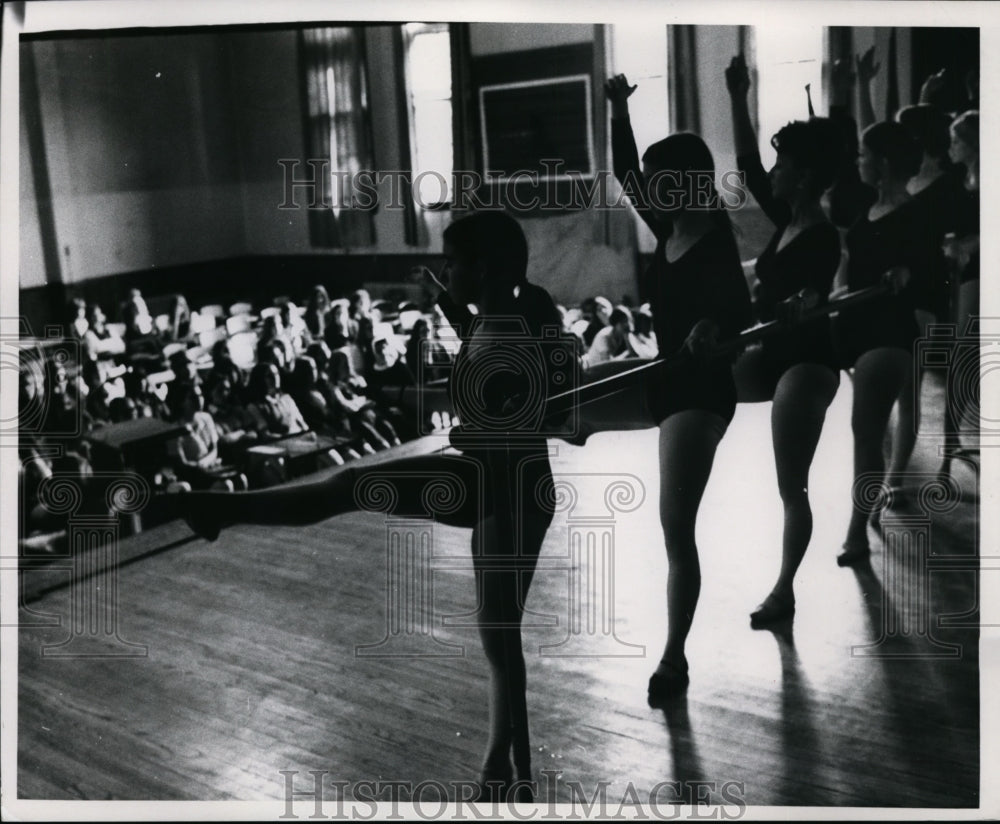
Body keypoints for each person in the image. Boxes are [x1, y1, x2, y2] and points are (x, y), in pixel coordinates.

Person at [168, 211, 573, 799]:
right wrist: (445, 303)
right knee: (351, 487)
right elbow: (478, 338)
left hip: (512, 486)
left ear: (481, 268)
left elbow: (545, 403)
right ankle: (223, 509)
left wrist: (510, 414)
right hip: (482, 477)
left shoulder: (518, 327)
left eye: (451, 262)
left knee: (498, 635)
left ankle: (501, 772)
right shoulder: (492, 316)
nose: (443, 270)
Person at [606, 73, 753, 702]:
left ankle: (674, 658)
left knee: (675, 528)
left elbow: (741, 326)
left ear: (687, 182)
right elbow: (624, 171)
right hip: (664, 381)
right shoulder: (667, 231)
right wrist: (618, 109)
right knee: (577, 407)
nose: (651, 189)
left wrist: (711, 327)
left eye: (662, 180)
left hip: (699, 396)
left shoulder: (715, 243)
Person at [725, 54, 845, 626]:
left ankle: (784, 591)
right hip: (770, 351)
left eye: (782, 166)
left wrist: (806, 304)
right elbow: (748, 165)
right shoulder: (785, 218)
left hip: (807, 365)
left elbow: (817, 294)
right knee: (697, 386)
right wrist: (735, 95)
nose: (772, 173)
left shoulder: (820, 235)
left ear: (801, 175)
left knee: (789, 486)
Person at [832, 121, 934, 566]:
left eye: (864, 154)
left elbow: (931, 281)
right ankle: (866, 513)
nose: (859, 161)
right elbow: (852, 261)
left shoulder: (915, 215)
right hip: (858, 328)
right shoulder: (866, 208)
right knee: (866, 434)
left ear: (884, 162)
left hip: (890, 333)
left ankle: (857, 533)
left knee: (865, 434)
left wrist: (908, 276)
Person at [581, 306, 634, 370]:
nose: (627, 325)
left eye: (628, 321)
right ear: (615, 323)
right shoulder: (604, 337)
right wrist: (627, 354)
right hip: (592, 370)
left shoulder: (624, 335)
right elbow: (607, 364)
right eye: (623, 322)